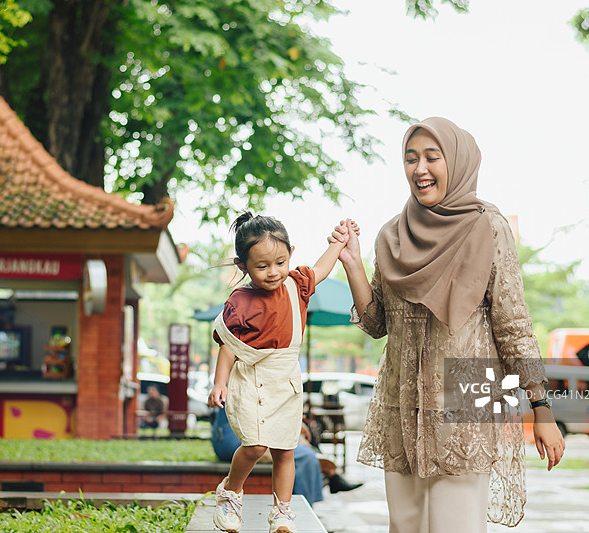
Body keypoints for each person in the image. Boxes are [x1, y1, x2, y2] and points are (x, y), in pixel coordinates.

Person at [329, 117, 565, 533]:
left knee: (456, 524)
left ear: (456, 161)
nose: (420, 169)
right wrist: (352, 263)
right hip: (403, 399)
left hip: (466, 394)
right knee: (406, 526)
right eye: (410, 158)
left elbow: (512, 323)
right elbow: (378, 322)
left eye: (431, 157)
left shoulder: (486, 227)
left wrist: (541, 407)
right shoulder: (391, 235)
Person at [207, 211, 357, 533]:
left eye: (280, 262)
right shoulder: (240, 301)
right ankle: (231, 491)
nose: (273, 272)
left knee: (285, 450)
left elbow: (321, 269)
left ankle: (282, 512)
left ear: (291, 253)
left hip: (286, 381)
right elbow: (229, 346)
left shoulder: (296, 285)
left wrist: (338, 242)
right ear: (243, 266)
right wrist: (219, 383)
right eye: (262, 266)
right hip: (252, 379)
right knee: (255, 446)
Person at [209, 406, 362, 508]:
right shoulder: (246, 377)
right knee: (306, 456)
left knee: (300, 452)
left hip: (246, 435)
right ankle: (304, 508)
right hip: (238, 439)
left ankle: (328, 477)